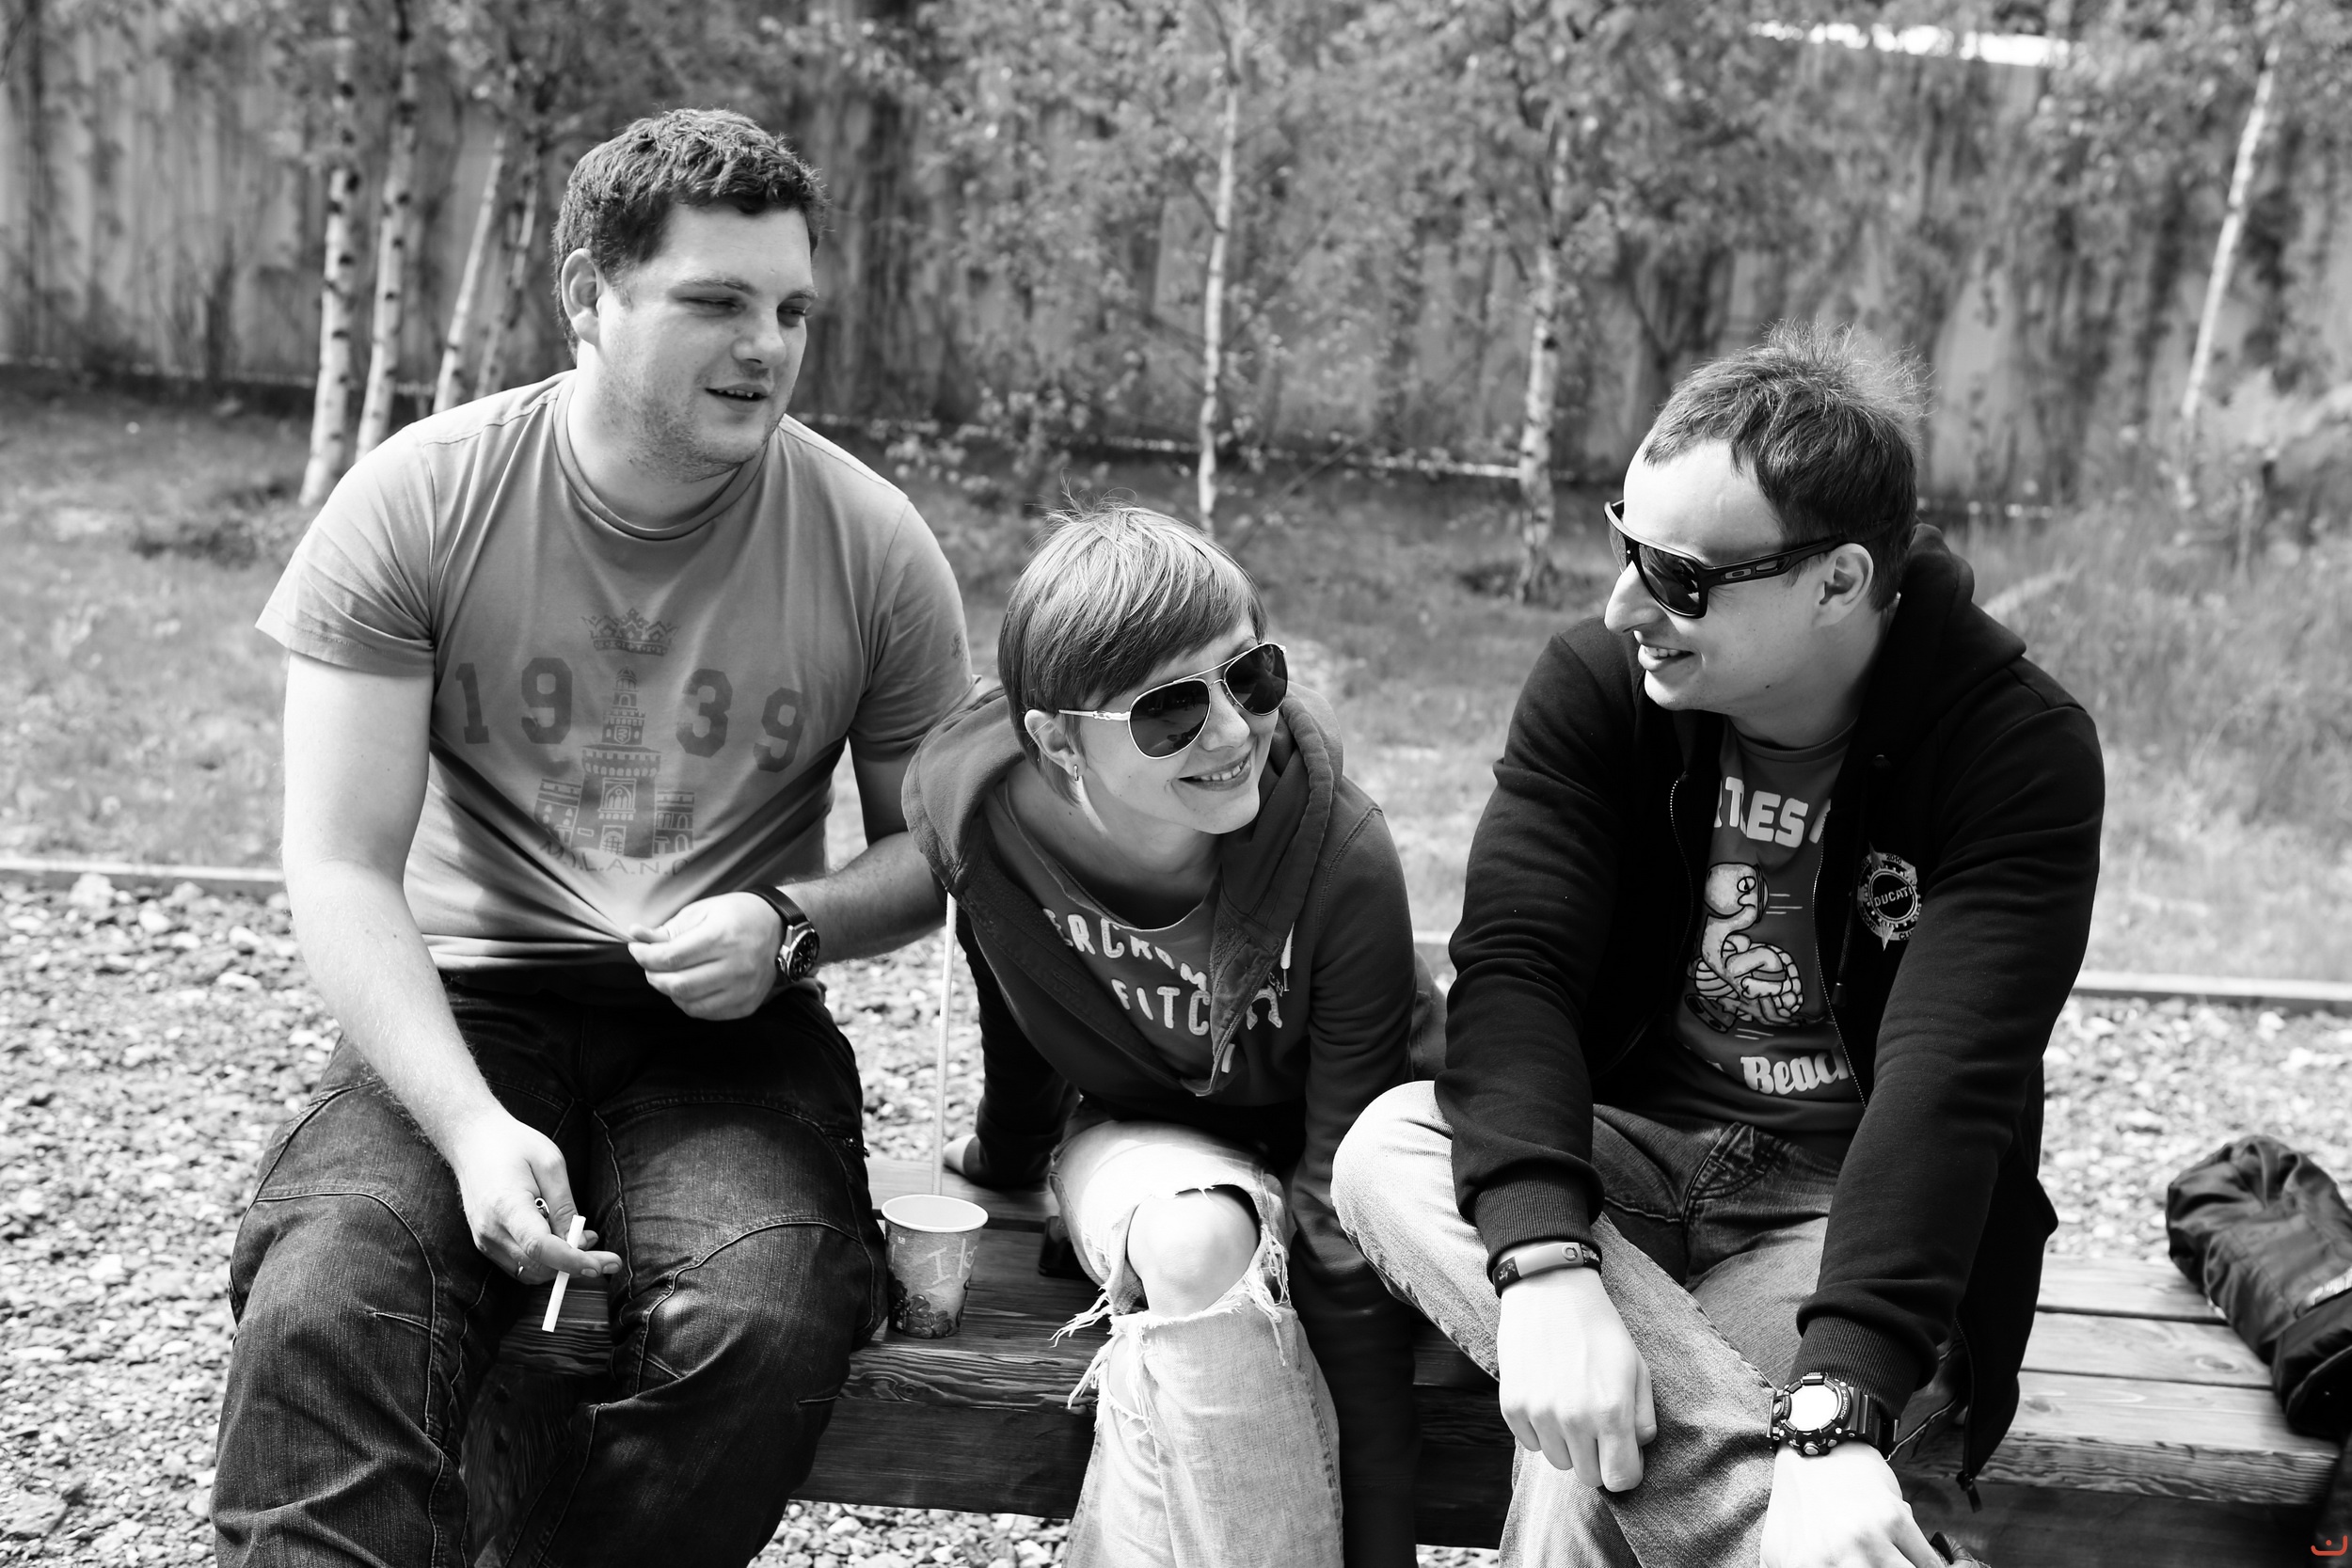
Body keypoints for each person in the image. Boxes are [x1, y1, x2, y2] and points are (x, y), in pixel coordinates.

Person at [216, 109, 970, 1566]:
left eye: (792, 310)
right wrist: (468, 1128)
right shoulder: (423, 498)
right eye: (716, 301)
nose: (766, 346)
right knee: (324, 1300)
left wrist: (792, 923)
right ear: (587, 295)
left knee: (769, 1308)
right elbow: (340, 861)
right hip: (467, 1004)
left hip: (729, 1035)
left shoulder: (874, 544)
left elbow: (929, 855)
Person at [1332, 323, 2103, 1568]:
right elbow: (1517, 970)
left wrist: (1841, 1395)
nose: (1622, 604)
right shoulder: (1597, 686)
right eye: (1623, 543)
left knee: (1589, 1465)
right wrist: (1547, 1267)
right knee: (1389, 1143)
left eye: (1680, 577)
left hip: (1837, 1204)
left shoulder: (2014, 751)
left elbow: (1947, 1084)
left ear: (1837, 582)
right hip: (1624, 1152)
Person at [900, 504, 1429, 1568]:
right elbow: (1020, 999)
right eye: (1168, 711)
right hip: (1150, 1146)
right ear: (1058, 739)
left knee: (1187, 1350)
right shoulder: (979, 824)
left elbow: (1343, 1214)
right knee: (1194, 1247)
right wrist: (1005, 1153)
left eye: (1250, 676)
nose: (1230, 732)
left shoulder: (1341, 858)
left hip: (1367, 1161)